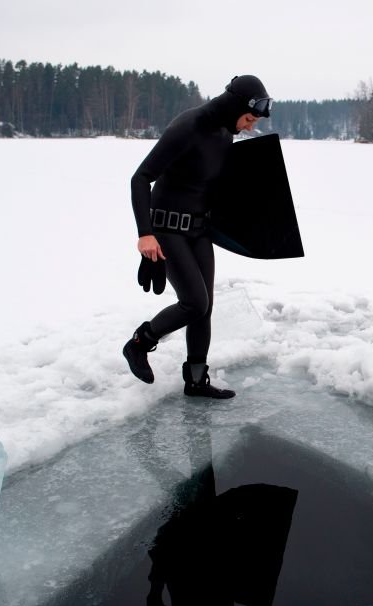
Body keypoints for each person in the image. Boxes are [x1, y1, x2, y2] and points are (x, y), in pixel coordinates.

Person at [123, 75, 272, 399]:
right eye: (248, 118)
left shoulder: (224, 133)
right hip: (166, 230)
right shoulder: (188, 126)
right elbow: (140, 179)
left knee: (205, 308)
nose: (249, 127)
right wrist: (145, 235)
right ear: (236, 106)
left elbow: (211, 185)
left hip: (199, 229)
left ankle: (196, 380)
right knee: (194, 303)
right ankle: (139, 343)